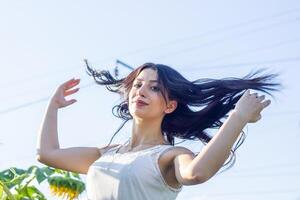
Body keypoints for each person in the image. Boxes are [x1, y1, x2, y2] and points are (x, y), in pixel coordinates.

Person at [36, 62, 281, 200]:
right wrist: (53, 106)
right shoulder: (106, 155)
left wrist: (237, 118)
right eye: (138, 85)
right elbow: (47, 153)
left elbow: (197, 173)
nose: (140, 91)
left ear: (170, 105)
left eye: (154, 88)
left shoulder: (169, 156)